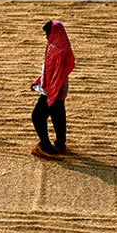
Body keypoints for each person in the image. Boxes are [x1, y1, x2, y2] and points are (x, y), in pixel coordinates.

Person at [30, 20, 75, 158]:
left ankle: (46, 146)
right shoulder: (59, 45)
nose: (46, 36)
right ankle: (60, 144)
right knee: (58, 115)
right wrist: (39, 82)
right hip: (58, 88)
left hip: (54, 89)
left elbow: (57, 75)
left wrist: (51, 92)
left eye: (48, 33)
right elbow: (50, 70)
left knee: (37, 117)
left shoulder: (59, 51)